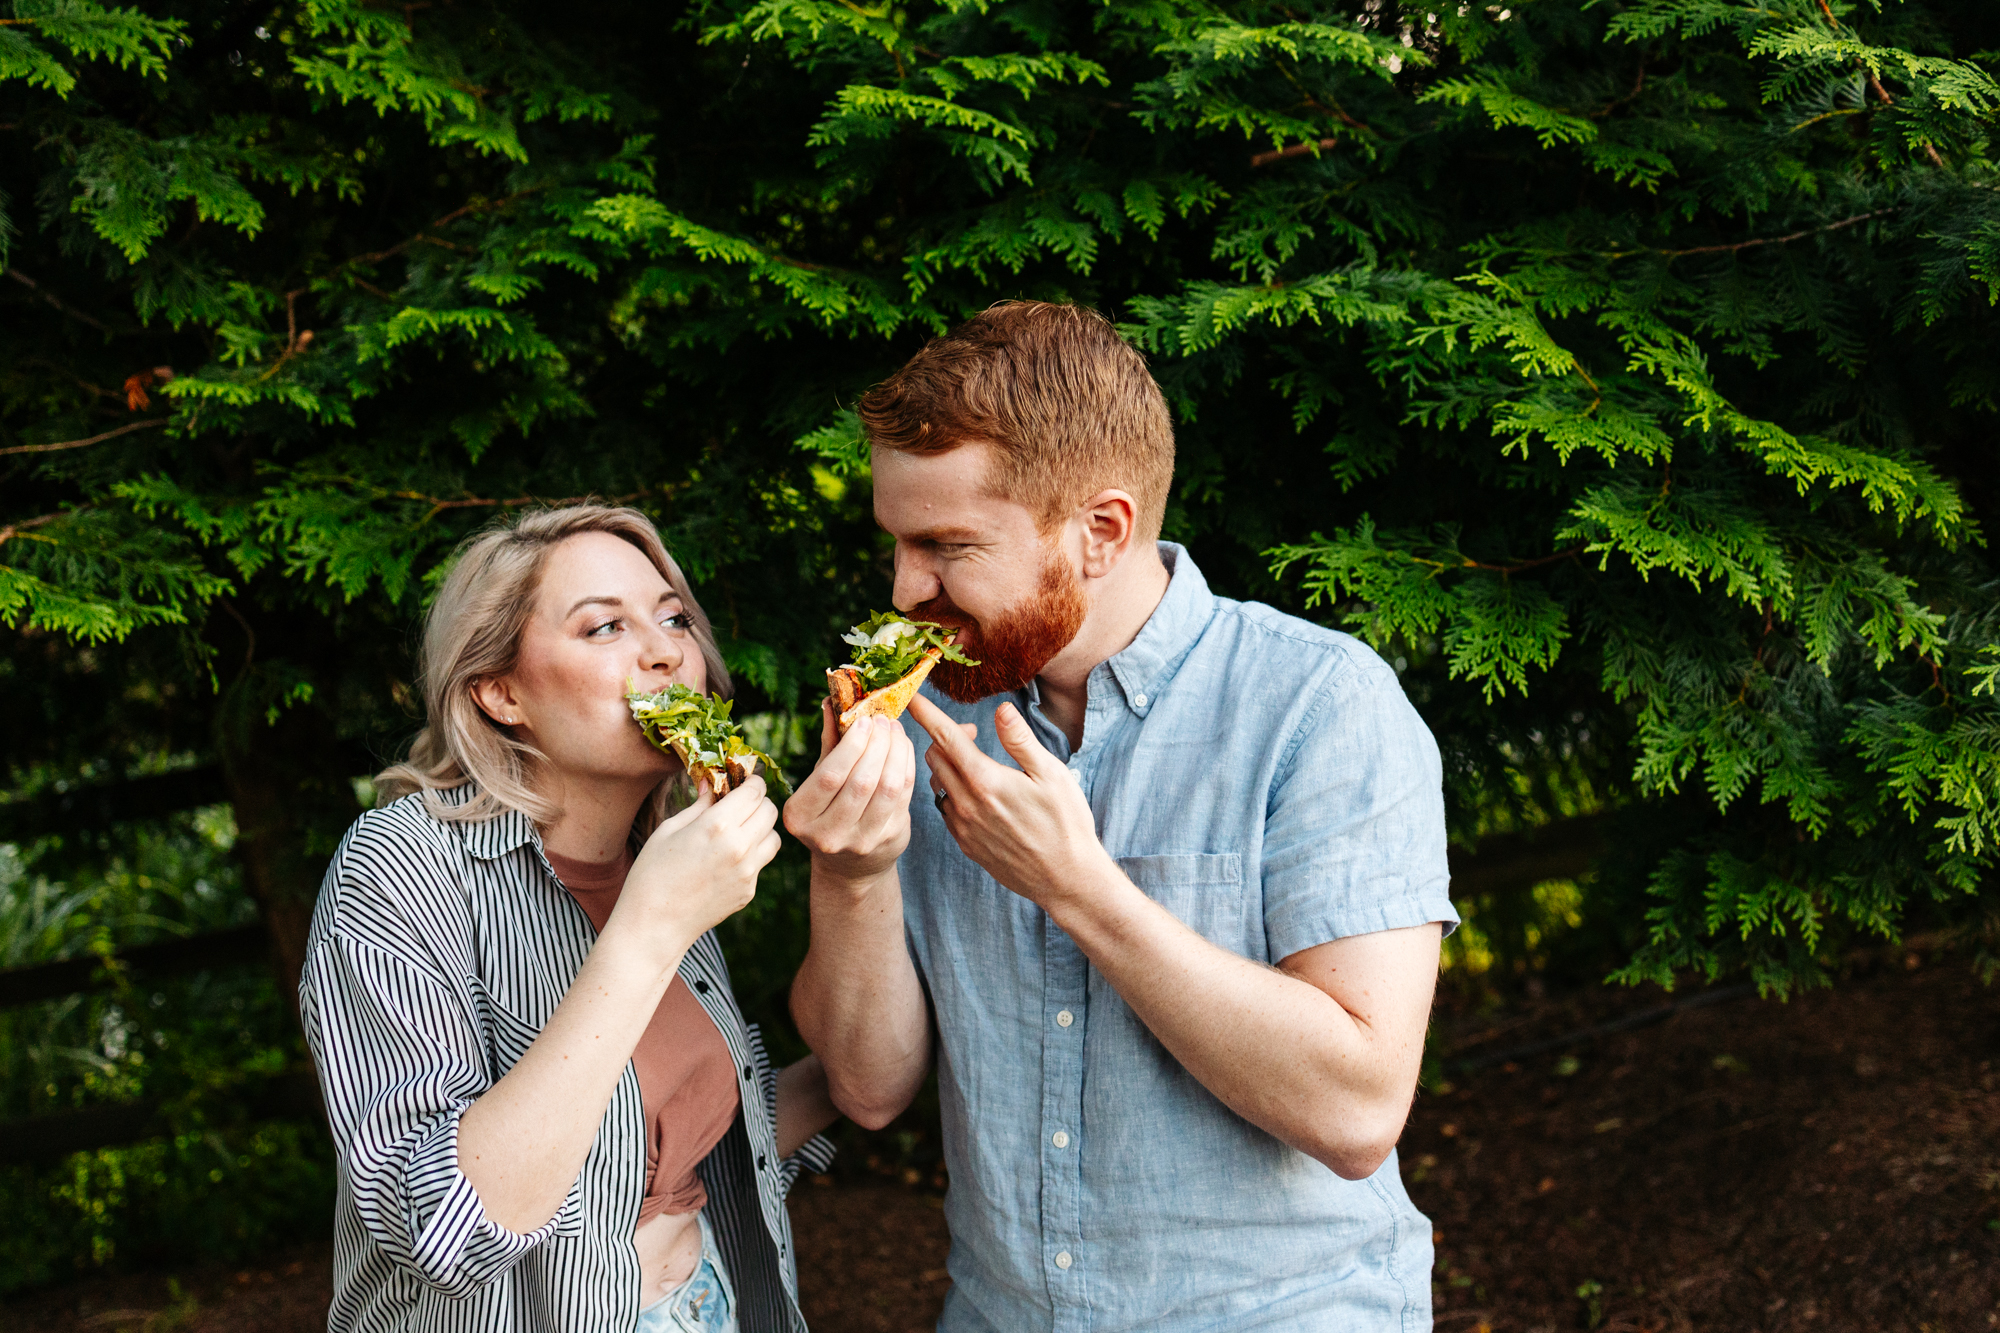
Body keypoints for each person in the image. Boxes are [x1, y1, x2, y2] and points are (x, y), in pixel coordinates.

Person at [785, 303, 1458, 1331]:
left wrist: (1077, 886)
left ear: (1100, 531)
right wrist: (851, 871)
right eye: (895, 544)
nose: (904, 589)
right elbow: (869, 1088)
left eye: (946, 545)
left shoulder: (1318, 706)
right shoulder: (927, 723)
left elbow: (1356, 1111)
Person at [301, 505, 838, 1333]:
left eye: (674, 618)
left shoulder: (659, 853)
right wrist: (646, 931)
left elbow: (661, 1134)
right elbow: (442, 1227)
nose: (666, 650)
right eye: (602, 628)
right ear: (499, 691)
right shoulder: (401, 865)